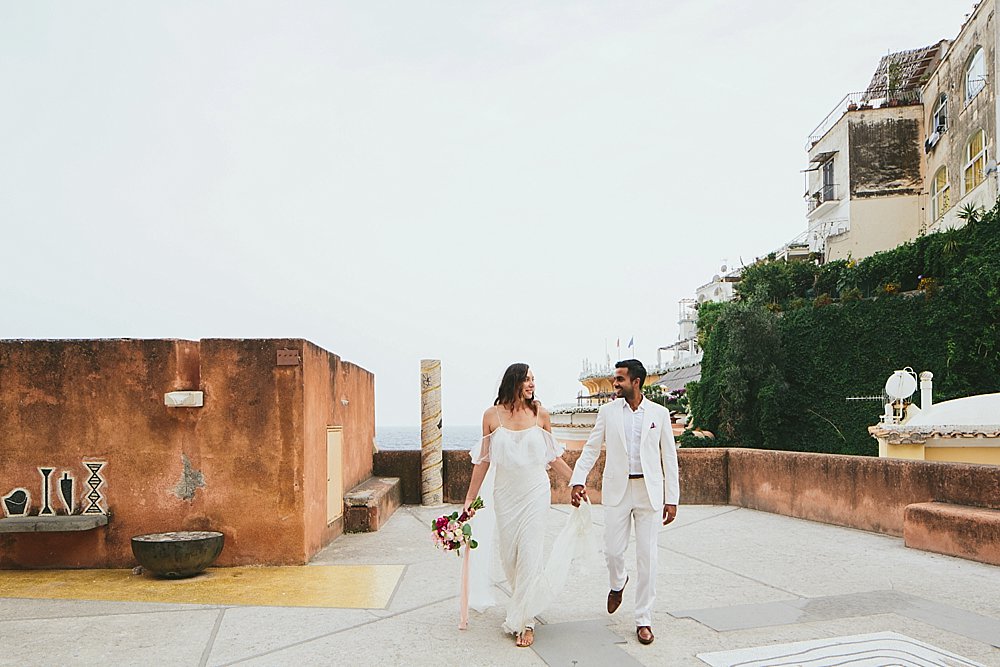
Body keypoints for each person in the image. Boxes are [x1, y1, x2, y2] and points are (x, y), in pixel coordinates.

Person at [463, 363, 584, 648]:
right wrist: (470, 498)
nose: (532, 384)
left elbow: (553, 457)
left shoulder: (540, 414)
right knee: (510, 557)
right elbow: (483, 461)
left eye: (533, 379)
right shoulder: (491, 416)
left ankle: (525, 620)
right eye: (527, 379)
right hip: (504, 496)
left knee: (530, 553)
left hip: (535, 493)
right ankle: (523, 602)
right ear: (513, 381)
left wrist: (577, 481)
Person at [569, 359, 679, 646]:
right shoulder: (607, 412)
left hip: (649, 492)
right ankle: (618, 582)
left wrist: (672, 498)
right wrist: (578, 480)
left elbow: (669, 457)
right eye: (615, 379)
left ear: (636, 382)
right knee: (613, 551)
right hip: (617, 490)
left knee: (648, 557)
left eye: (620, 379)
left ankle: (644, 618)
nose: (615, 384)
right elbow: (592, 448)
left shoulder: (660, 414)